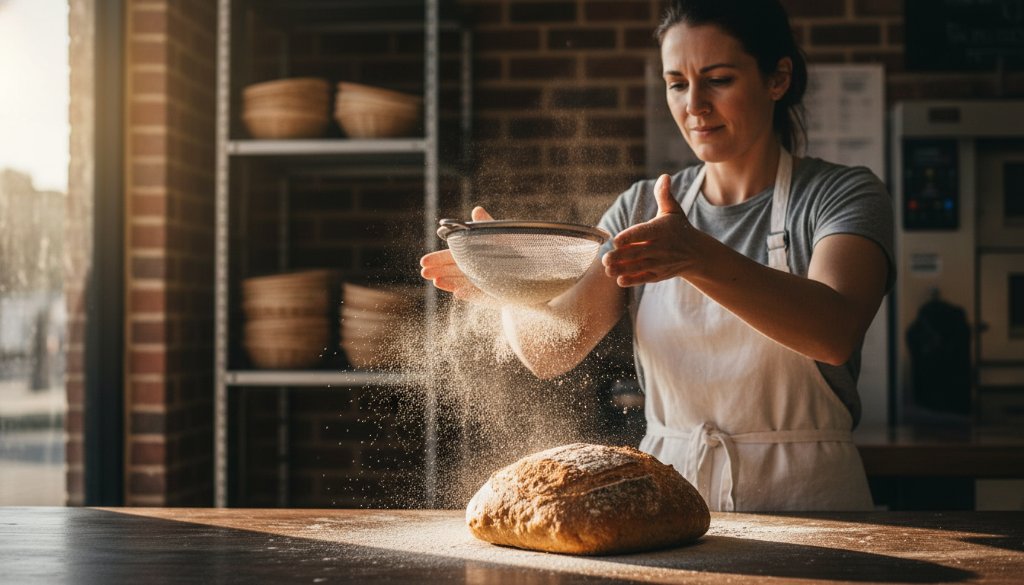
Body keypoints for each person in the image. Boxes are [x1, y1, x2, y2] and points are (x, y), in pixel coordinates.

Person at [421, 0, 894, 512]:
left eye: (718, 79)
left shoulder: (841, 195)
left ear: (777, 78)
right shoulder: (640, 208)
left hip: (814, 502)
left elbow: (834, 332)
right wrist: (502, 286)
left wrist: (698, 258)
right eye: (677, 83)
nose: (694, 104)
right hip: (670, 497)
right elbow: (552, 351)